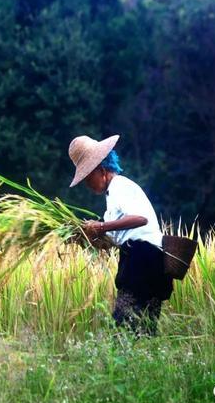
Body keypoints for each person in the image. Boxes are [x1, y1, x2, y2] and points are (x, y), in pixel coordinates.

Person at [68, 134, 173, 337]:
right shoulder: (112, 195)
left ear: (102, 170)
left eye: (89, 177)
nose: (88, 184)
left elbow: (140, 219)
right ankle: (144, 365)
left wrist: (100, 227)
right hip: (145, 260)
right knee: (143, 330)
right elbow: (119, 234)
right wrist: (88, 236)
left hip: (143, 259)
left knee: (123, 328)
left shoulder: (120, 186)